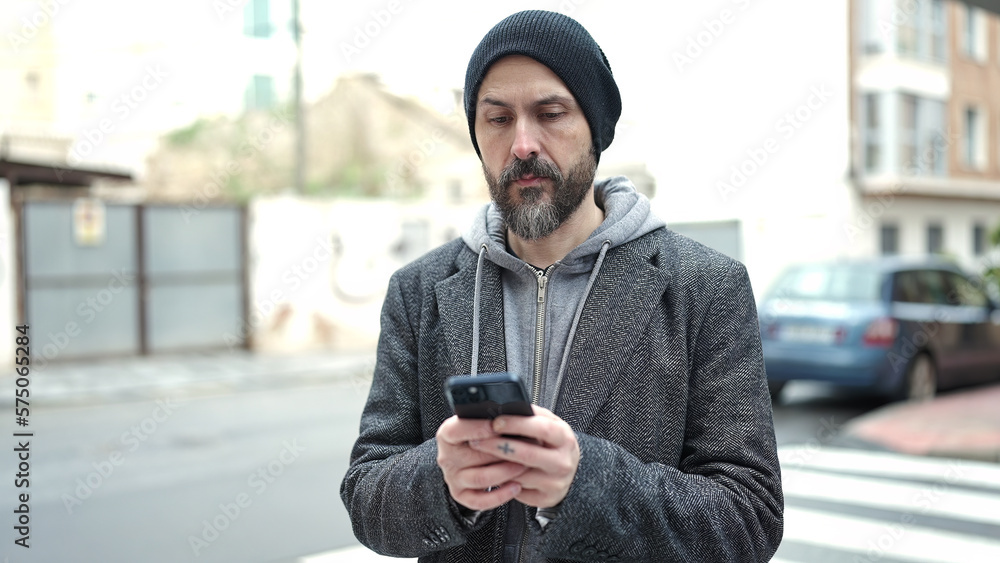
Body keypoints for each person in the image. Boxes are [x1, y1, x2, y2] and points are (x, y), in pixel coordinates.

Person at [341, 9, 783, 562]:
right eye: (497, 119)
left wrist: (585, 483)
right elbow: (365, 496)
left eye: (550, 113)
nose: (523, 144)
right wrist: (441, 482)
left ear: (595, 130)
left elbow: (750, 518)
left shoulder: (704, 287)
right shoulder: (420, 290)